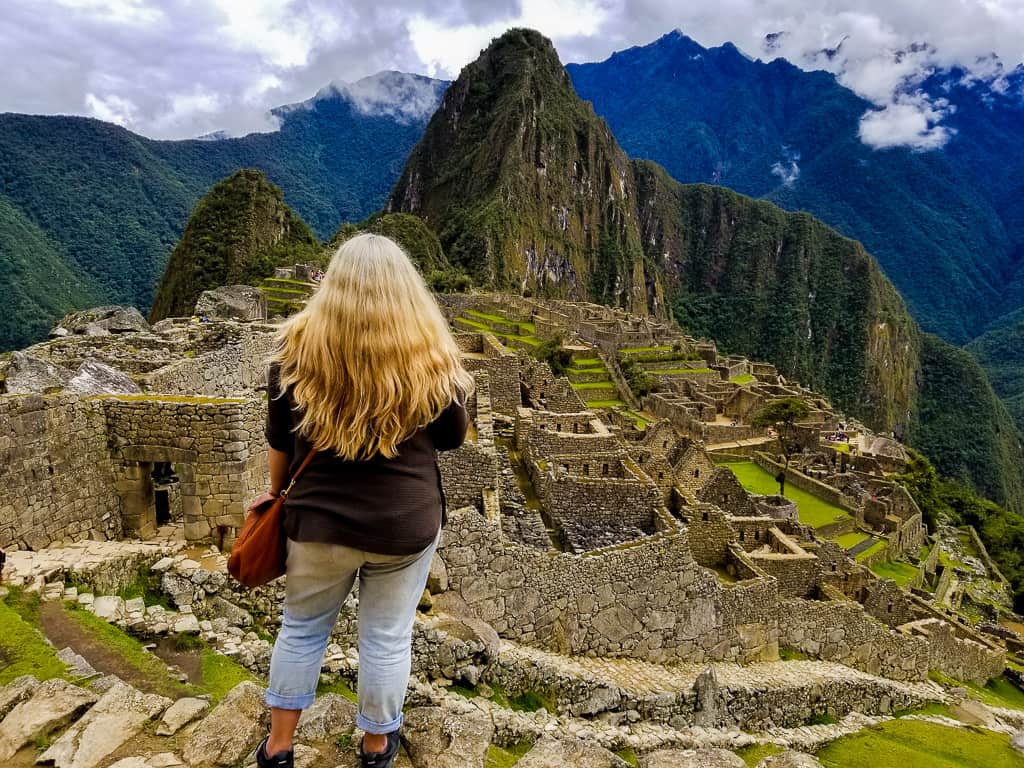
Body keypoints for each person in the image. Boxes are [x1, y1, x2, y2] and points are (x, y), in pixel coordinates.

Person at [253, 233, 473, 768]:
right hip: (404, 526)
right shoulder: (430, 364)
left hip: (319, 524)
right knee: (387, 638)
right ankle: (376, 748)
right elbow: (452, 437)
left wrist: (277, 495)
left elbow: (280, 445)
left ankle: (279, 748)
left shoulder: (293, 358)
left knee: (302, 628)